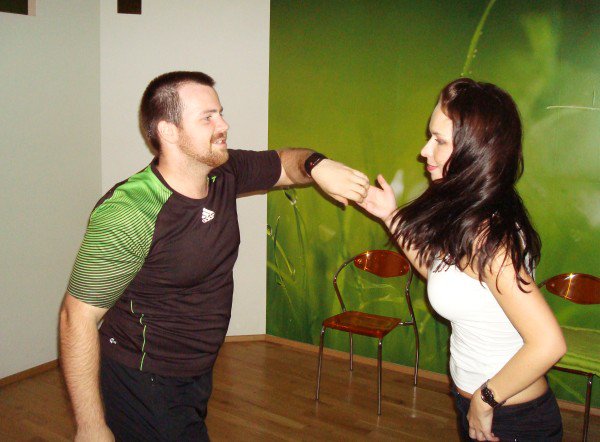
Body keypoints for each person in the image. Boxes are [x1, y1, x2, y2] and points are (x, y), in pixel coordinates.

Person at [59, 70, 370, 441]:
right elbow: (76, 316)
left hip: (196, 370)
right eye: (207, 117)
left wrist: (318, 166)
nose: (224, 125)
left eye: (220, 113)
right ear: (168, 131)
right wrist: (90, 426)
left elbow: (285, 163)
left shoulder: (223, 172)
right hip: (144, 376)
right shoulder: (131, 210)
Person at [358, 78, 566, 441]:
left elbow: (548, 343)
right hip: (488, 407)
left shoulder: (488, 238)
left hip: (510, 419)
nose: (424, 151)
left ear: (474, 150)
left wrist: (485, 400)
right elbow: (441, 274)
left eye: (439, 141)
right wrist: (390, 216)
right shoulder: (473, 212)